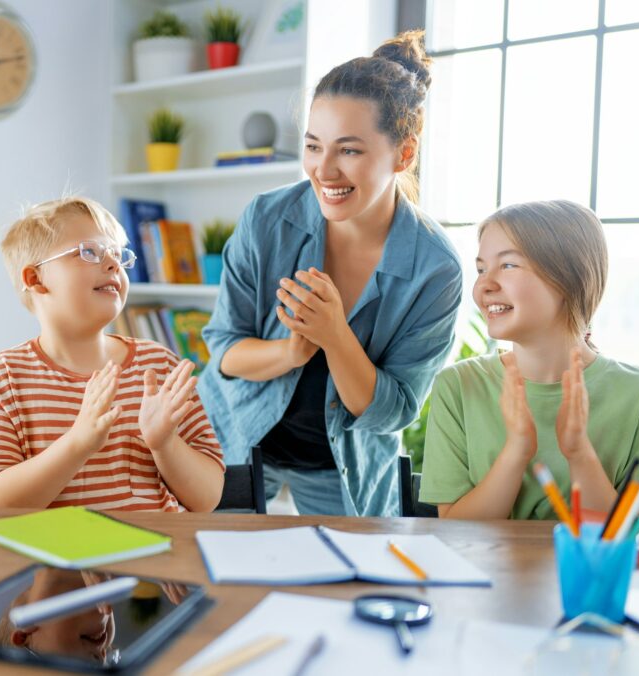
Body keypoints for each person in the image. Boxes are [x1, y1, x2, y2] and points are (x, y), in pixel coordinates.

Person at [197, 30, 462, 516]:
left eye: (350, 150)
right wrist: (292, 350)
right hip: (239, 435)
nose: (324, 170)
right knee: (225, 578)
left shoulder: (434, 268)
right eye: (314, 147)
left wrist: (335, 335)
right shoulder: (268, 220)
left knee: (347, 587)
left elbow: (393, 410)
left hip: (345, 467)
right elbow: (225, 351)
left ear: (404, 154)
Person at [420, 200, 639, 519]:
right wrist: (517, 450)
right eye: (481, 269)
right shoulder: (459, 386)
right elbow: (455, 531)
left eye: (508, 265)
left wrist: (579, 452)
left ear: (568, 276)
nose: (484, 285)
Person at [0, 196, 224, 512]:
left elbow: (207, 499)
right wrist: (79, 442)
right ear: (36, 280)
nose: (112, 263)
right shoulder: (0, 379)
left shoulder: (159, 366)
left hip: (156, 558)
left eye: (118, 255)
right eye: (90, 252)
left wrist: (164, 443)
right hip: (54, 562)